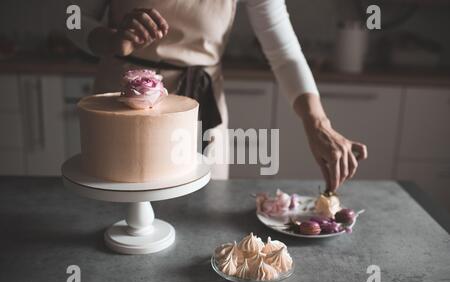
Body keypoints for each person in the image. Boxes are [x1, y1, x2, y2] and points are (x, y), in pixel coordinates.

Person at [68, 0, 367, 191]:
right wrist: (110, 39)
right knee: (122, 213)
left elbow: (283, 51)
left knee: (202, 214)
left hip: (204, 106)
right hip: (125, 105)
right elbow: (72, 17)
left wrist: (317, 122)